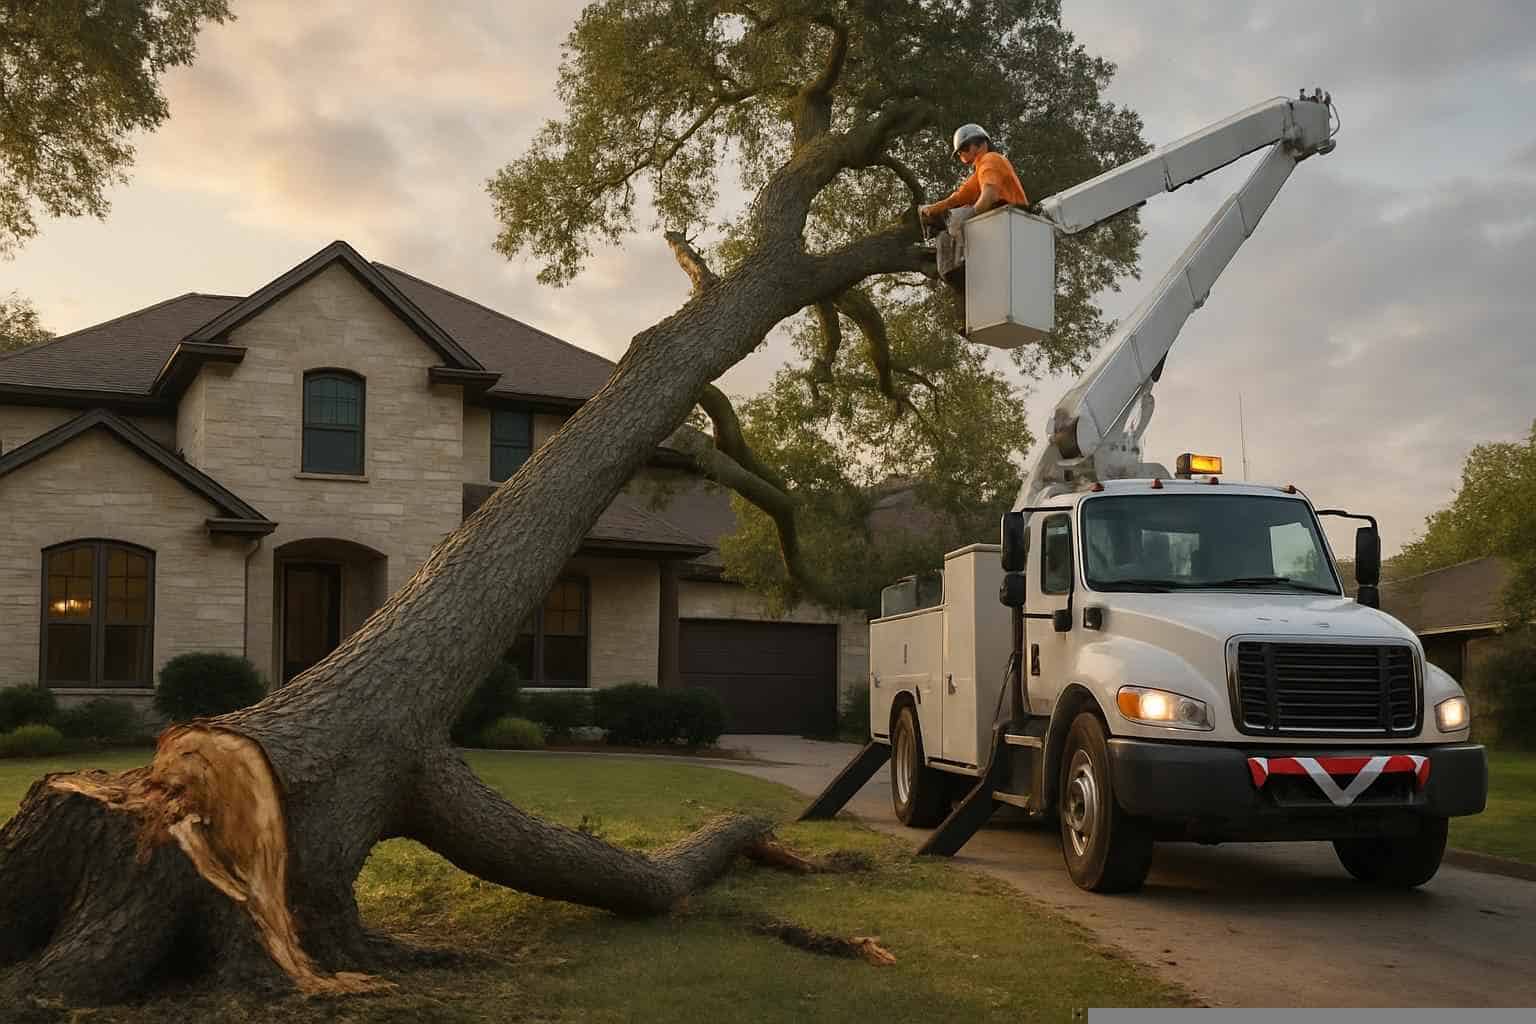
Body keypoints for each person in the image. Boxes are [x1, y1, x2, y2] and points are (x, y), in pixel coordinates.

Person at [920, 124, 1029, 323]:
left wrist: (969, 222)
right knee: (945, 232)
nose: (961, 155)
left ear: (978, 144)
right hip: (1002, 222)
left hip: (1012, 217)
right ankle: (960, 278)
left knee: (958, 219)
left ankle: (964, 259)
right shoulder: (980, 169)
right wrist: (931, 209)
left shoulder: (991, 159)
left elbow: (990, 194)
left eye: (963, 149)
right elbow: (959, 197)